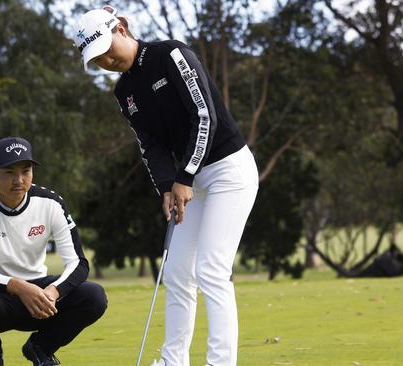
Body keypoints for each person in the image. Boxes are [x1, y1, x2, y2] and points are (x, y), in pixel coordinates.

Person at [73, 7, 259, 366]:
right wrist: (166, 187)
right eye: (97, 59)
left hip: (228, 171)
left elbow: (204, 115)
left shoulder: (171, 54)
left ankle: (221, 362)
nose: (107, 60)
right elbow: (150, 145)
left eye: (107, 49)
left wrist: (184, 177)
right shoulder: (124, 92)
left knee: (212, 269)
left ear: (122, 29)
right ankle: (173, 360)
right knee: (175, 272)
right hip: (191, 181)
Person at [0, 136, 107, 366]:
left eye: (25, 171)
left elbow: (78, 263)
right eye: (9, 172)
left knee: (93, 296)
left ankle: (40, 349)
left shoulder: (51, 202)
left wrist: (53, 292)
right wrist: (19, 287)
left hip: (42, 300)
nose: (19, 180)